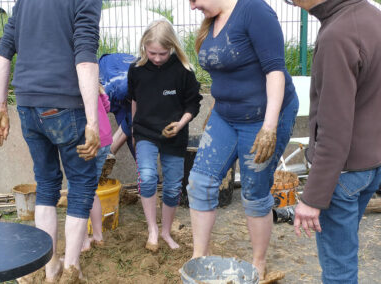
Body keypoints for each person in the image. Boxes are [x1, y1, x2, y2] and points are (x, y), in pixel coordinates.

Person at [0, 0, 101, 282]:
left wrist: (0, 108)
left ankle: (50, 267)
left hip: (28, 106)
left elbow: (3, 54)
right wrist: (92, 121)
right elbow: (85, 57)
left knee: (47, 183)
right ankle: (71, 268)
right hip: (65, 106)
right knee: (82, 183)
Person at [187, 0, 299, 282]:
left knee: (253, 192)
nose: (191, 6)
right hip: (225, 116)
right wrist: (215, 106)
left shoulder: (255, 11)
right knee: (200, 183)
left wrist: (270, 127)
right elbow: (223, 73)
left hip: (264, 117)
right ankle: (200, 257)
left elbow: (275, 71)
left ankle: (258, 264)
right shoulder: (213, 20)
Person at [288, 0, 381, 283]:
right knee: (346, 251)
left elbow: (334, 127)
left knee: (339, 270)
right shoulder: (372, 16)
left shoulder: (338, 34)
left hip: (343, 175)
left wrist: (313, 197)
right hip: (371, 165)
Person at [129, 19, 202, 252]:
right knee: (148, 177)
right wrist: (133, 130)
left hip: (175, 135)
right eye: (152, 53)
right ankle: (152, 229)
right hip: (145, 133)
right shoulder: (136, 70)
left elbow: (193, 104)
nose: (157, 58)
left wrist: (180, 124)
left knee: (172, 187)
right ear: (144, 47)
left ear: (172, 47)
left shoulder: (184, 71)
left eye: (162, 53)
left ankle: (165, 231)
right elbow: (134, 101)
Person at [79, 85, 113, 252]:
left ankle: (83, 240)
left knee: (78, 190)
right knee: (91, 189)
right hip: (104, 139)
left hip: (86, 142)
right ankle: (98, 236)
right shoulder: (95, 84)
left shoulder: (72, 82)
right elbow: (107, 107)